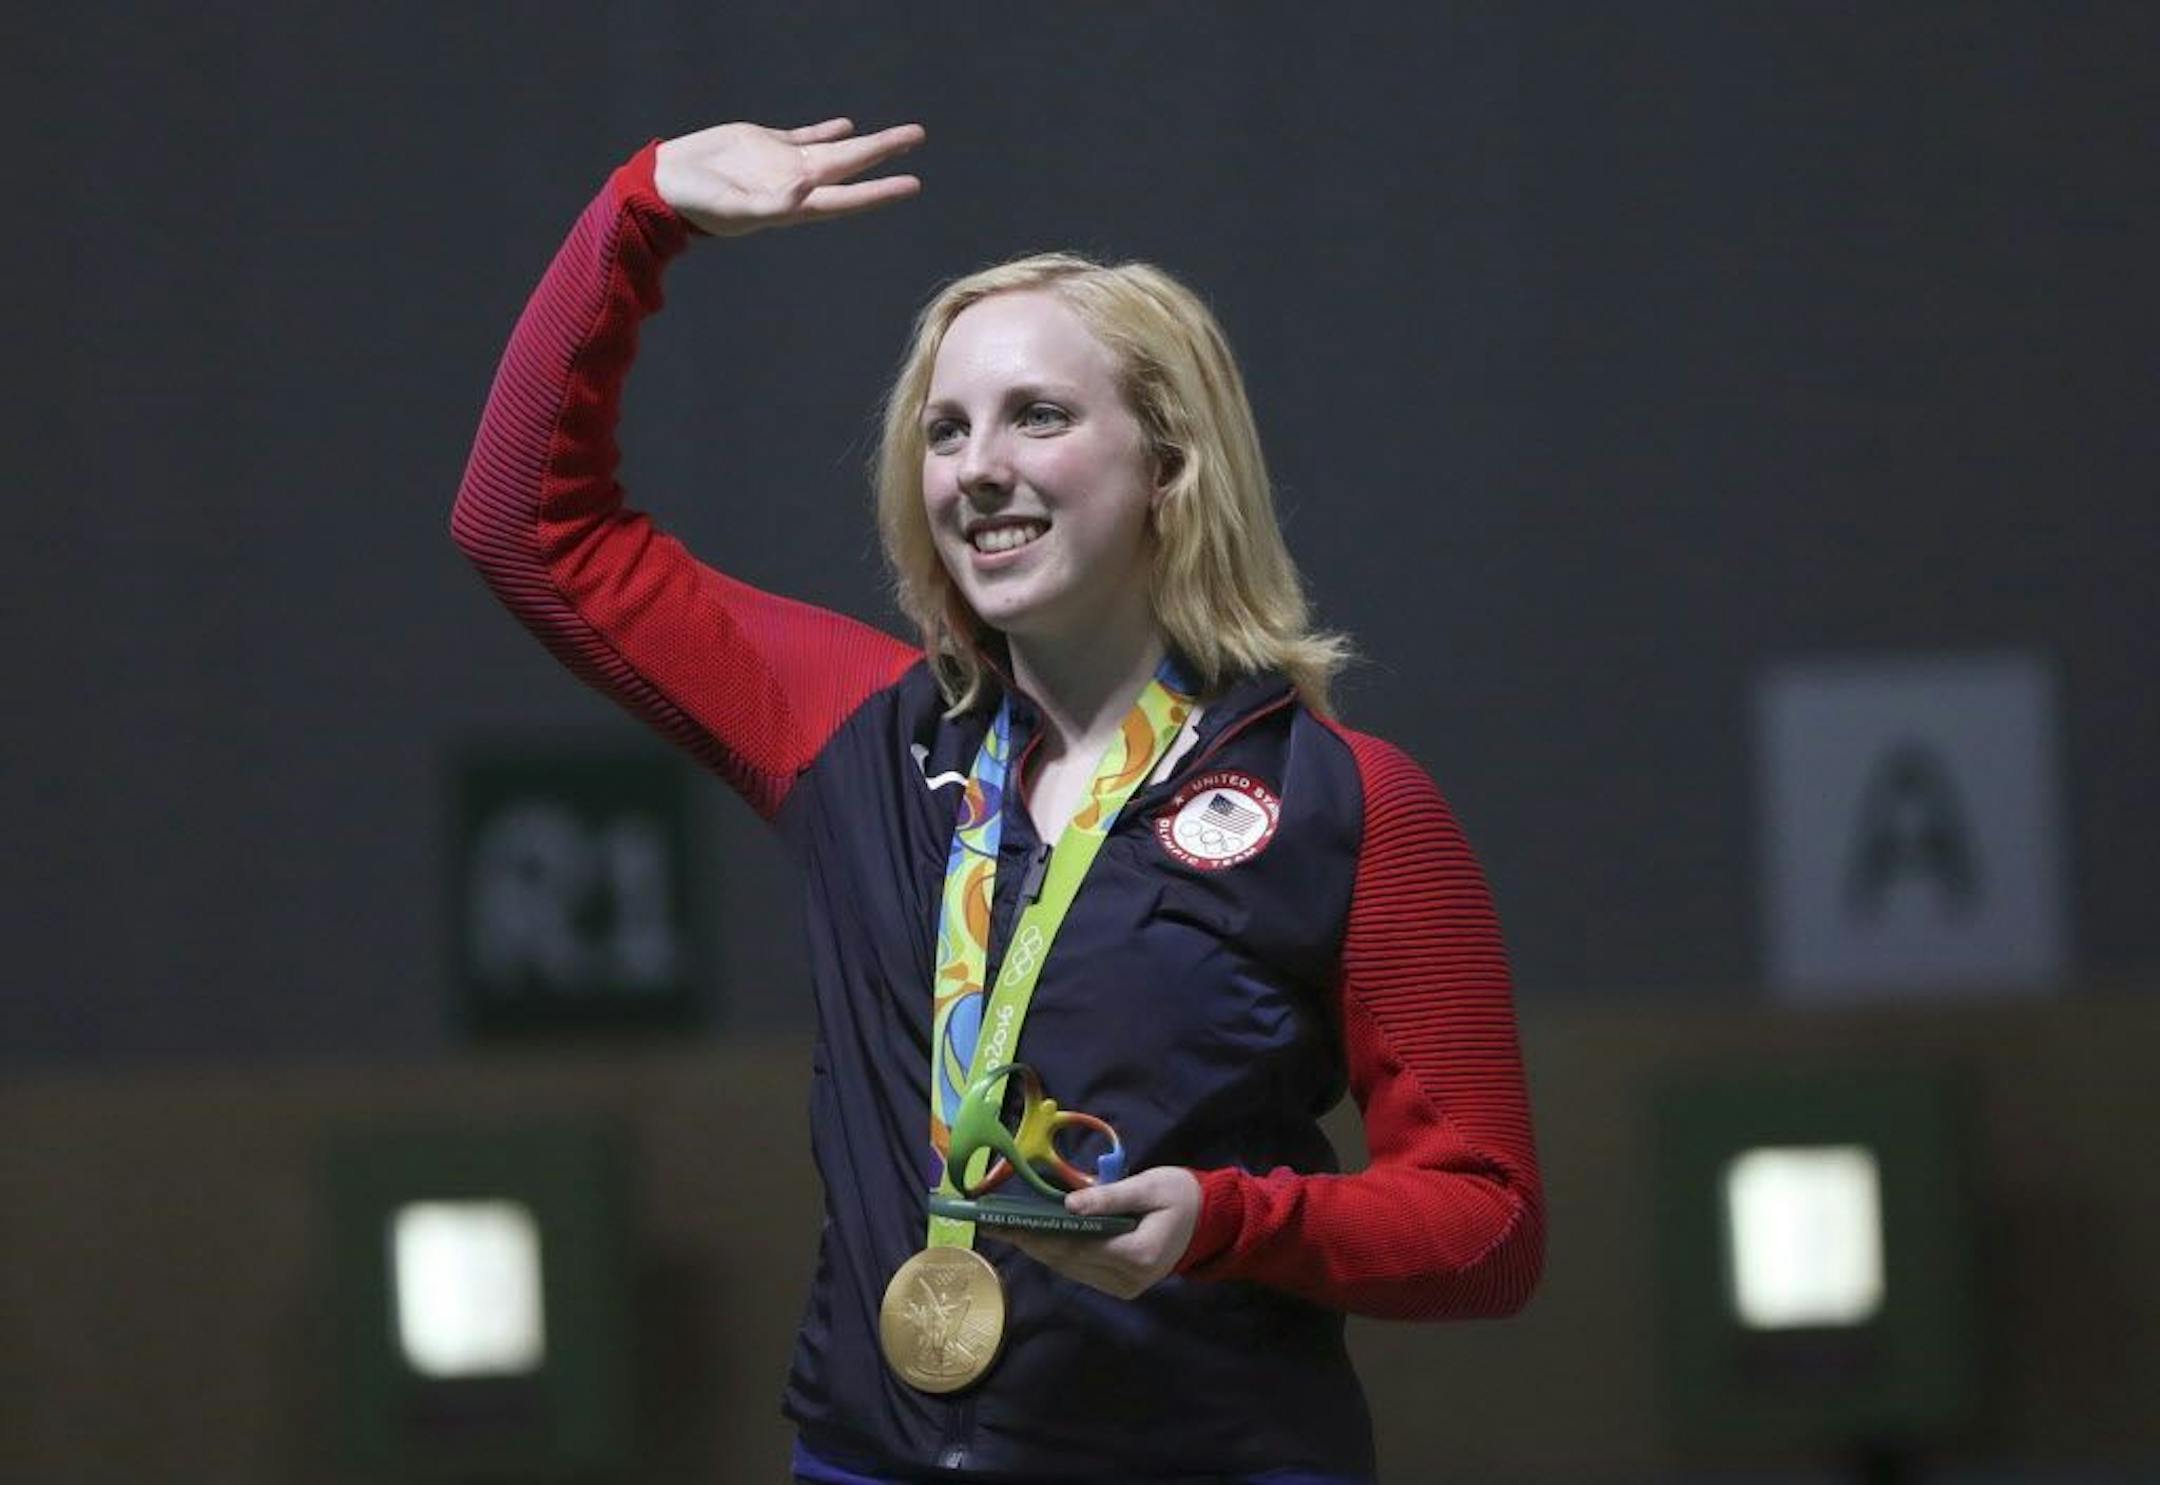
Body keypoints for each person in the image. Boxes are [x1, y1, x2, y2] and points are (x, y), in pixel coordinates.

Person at [452, 115, 1544, 1483]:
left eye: (1038, 415)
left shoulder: (1346, 799)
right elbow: (526, 525)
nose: (978, 466)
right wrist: (638, 212)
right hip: (873, 1457)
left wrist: (1226, 1219)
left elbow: (1488, 1227)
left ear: (1169, 466)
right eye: (945, 429)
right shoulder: (857, 731)